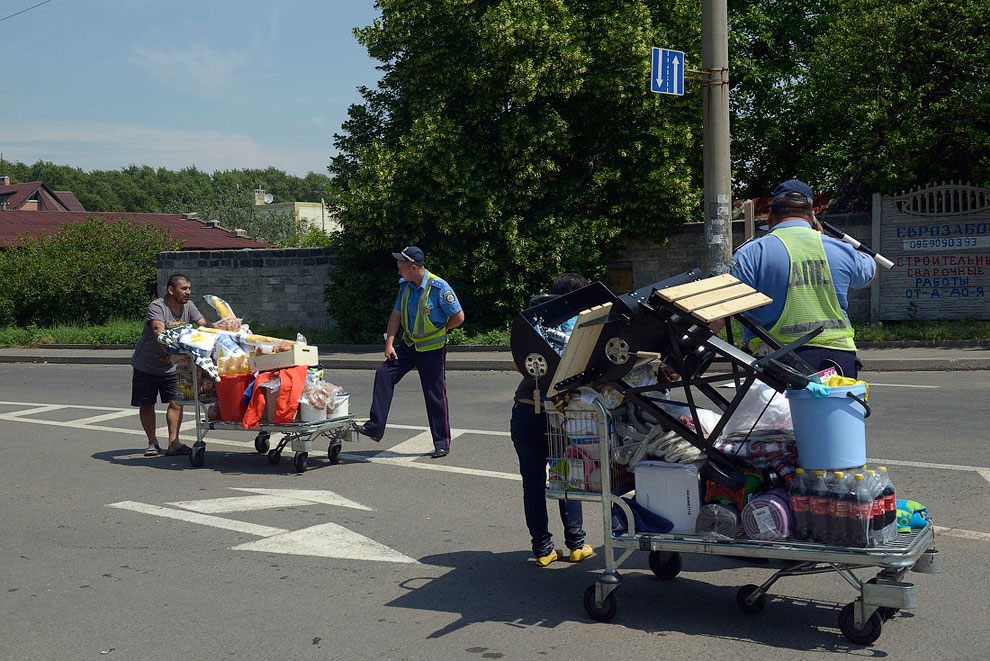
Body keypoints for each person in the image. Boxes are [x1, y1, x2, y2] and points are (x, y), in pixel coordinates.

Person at [730, 179, 877, 377]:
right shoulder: (840, 249)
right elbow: (870, 275)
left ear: (770, 215)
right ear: (812, 215)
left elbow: (723, 305)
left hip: (778, 364)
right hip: (839, 361)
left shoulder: (752, 252)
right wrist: (825, 238)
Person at [511, 272, 593, 567]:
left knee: (532, 484)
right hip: (560, 417)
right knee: (568, 479)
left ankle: (543, 549)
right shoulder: (581, 326)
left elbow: (518, 364)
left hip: (525, 411)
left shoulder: (534, 323)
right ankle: (576, 545)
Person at [353, 246, 465, 458]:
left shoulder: (439, 287)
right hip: (408, 345)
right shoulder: (405, 286)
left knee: (435, 395)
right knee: (384, 374)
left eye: (401, 267)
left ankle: (442, 443)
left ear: (413, 267)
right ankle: (375, 427)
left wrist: (441, 330)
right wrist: (389, 343)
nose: (398, 271)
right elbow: (396, 314)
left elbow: (458, 317)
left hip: (432, 349)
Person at [130, 274, 210, 457]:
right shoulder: (158, 307)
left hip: (172, 367)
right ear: (171, 290)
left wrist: (224, 331)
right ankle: (152, 442)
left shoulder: (188, 306)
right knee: (147, 404)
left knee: (177, 402)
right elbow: (158, 331)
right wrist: (175, 352)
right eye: (184, 288)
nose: (188, 292)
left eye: (189, 288)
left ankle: (174, 443)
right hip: (147, 365)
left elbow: (204, 324)